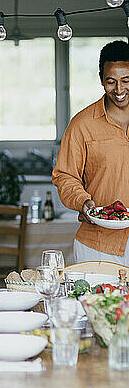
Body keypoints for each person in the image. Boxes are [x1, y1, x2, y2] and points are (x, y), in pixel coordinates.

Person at [52, 40, 129, 265]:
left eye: (126, 80)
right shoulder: (82, 124)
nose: (119, 90)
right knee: (92, 301)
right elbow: (64, 176)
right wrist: (82, 201)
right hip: (97, 246)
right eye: (111, 82)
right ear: (101, 79)